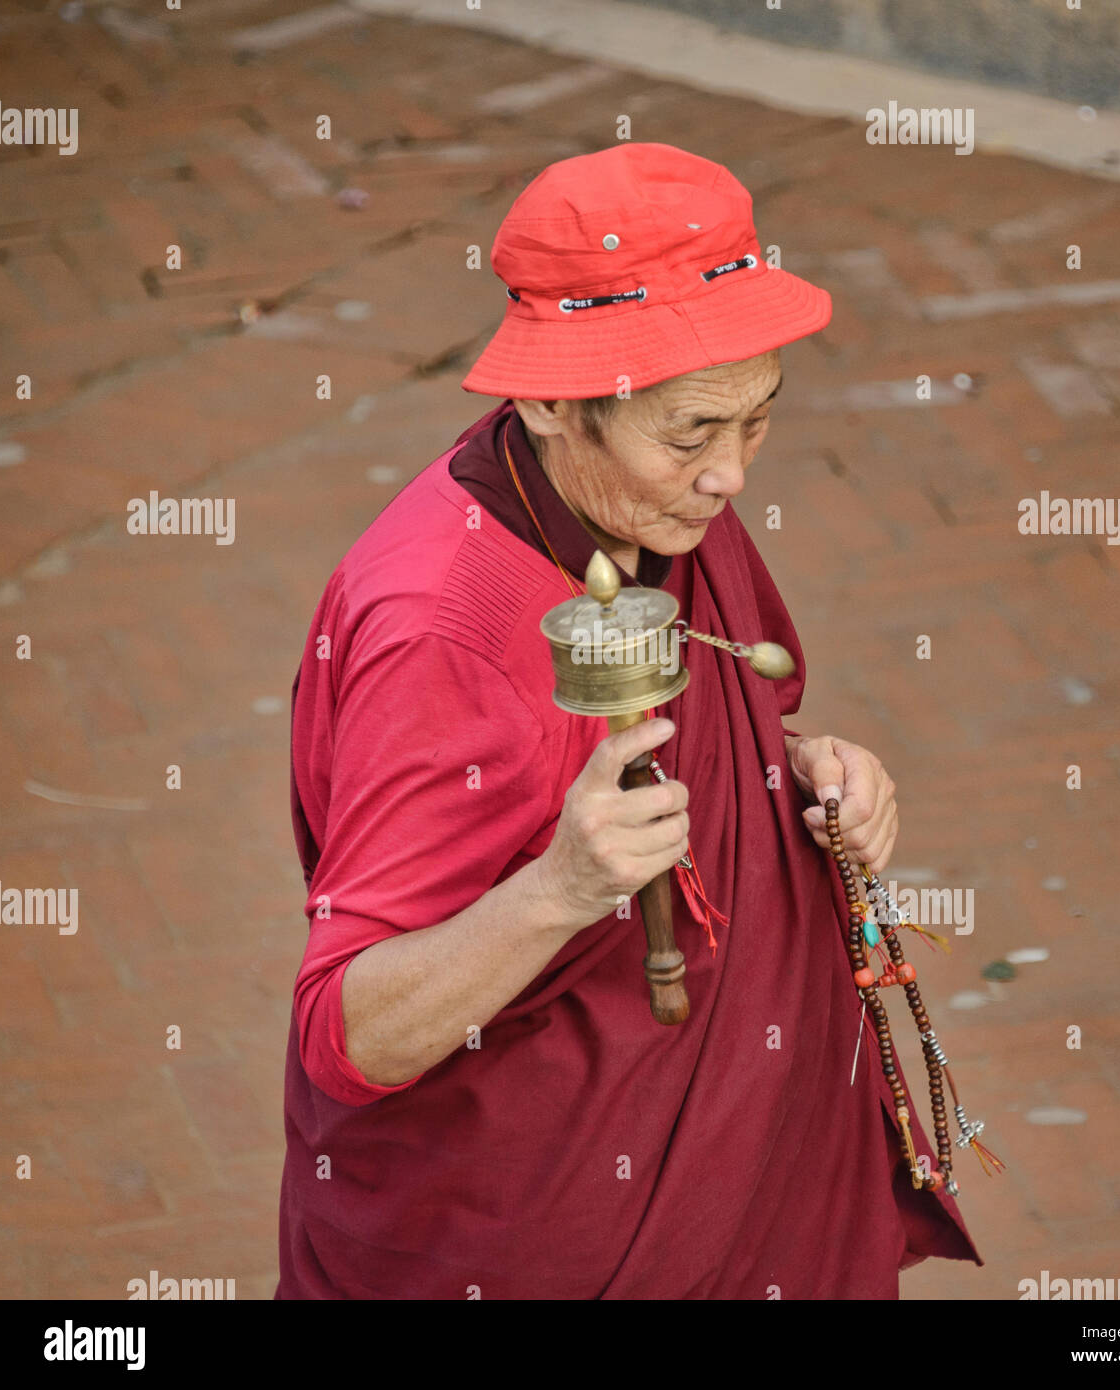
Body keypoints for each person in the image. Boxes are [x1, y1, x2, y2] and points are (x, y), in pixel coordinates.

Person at [276, 142, 981, 1299]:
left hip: (743, 1161)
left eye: (755, 422)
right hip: (538, 1223)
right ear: (550, 400)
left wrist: (805, 769)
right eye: (694, 433)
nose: (729, 477)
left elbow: (739, 715)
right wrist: (559, 889)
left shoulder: (646, 501)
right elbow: (352, 1030)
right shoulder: (440, 634)